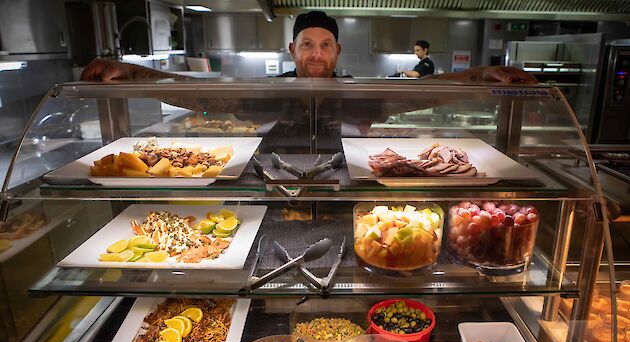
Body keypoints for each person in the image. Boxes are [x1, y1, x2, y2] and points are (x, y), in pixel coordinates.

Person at [81, 11, 536, 84]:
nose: (316, 54)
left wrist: (483, 75)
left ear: (338, 51)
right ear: (290, 49)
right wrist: (131, 71)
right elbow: (202, 94)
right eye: (306, 45)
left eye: (324, 45)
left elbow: (422, 95)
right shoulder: (268, 90)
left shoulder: (359, 90)